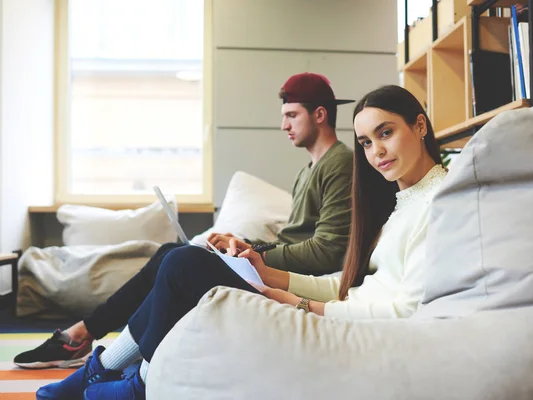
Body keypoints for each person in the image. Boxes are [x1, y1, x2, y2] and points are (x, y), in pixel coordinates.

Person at [36, 84, 448, 400]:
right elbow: (347, 281)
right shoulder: (401, 203)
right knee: (179, 259)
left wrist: (301, 303)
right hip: (332, 307)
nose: (376, 152)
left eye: (385, 134)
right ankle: (118, 372)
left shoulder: (438, 203)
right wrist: (270, 274)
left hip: (342, 328)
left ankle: (128, 377)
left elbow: (401, 310)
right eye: (367, 142)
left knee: (182, 263)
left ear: (419, 124)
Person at [16, 72, 354, 370]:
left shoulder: (340, 163)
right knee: (170, 252)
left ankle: (97, 344)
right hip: (270, 268)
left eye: (292, 115)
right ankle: (85, 336)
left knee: (176, 259)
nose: (284, 125)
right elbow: (297, 240)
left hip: (287, 282)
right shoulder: (308, 169)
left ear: (320, 114)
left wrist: (256, 253)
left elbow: (327, 251)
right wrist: (247, 247)